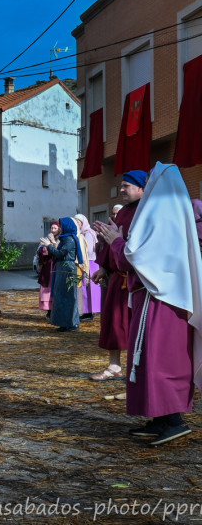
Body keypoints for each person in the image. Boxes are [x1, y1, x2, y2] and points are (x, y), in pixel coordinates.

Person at [97, 163, 202, 446]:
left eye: (152, 181)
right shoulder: (168, 216)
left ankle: (175, 420)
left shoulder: (164, 218)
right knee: (145, 357)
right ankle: (159, 418)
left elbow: (137, 258)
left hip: (163, 301)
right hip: (154, 297)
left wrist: (116, 242)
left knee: (160, 359)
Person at [90, 171, 146, 381]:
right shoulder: (122, 214)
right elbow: (112, 241)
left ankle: (139, 368)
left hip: (139, 281)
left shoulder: (147, 212)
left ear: (141, 188)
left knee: (137, 325)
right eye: (121, 186)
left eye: (126, 186)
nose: (121, 190)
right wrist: (104, 267)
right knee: (113, 322)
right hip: (118, 279)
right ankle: (114, 366)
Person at [40, 218, 81, 332]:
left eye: (62, 226)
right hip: (63, 268)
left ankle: (70, 323)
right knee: (63, 296)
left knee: (67, 297)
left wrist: (49, 245)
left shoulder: (69, 239)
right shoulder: (66, 239)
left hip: (66, 268)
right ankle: (66, 322)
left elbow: (60, 253)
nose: (60, 229)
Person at [75, 214, 101, 321]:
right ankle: (87, 311)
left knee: (90, 287)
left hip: (90, 262)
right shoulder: (83, 233)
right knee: (86, 288)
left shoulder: (89, 233)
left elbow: (89, 250)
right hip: (87, 262)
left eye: (78, 221)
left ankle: (89, 312)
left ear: (83, 222)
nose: (77, 224)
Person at [36, 222, 59, 319]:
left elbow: (58, 252)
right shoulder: (45, 239)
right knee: (47, 288)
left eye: (55, 228)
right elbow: (39, 252)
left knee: (54, 287)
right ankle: (49, 310)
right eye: (52, 228)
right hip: (47, 267)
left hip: (55, 266)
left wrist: (52, 243)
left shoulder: (60, 239)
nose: (53, 230)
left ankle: (55, 310)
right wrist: (43, 249)